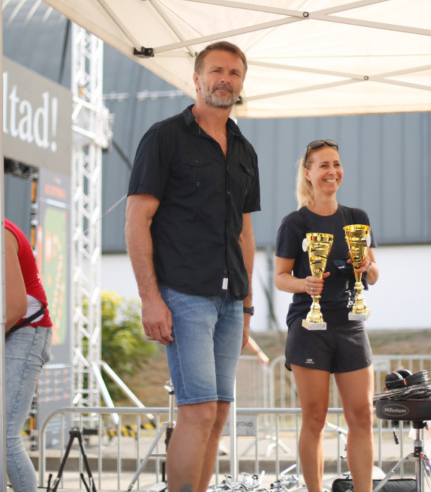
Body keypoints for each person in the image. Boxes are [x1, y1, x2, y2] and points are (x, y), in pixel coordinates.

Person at [125, 41, 260, 492]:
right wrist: (150, 298)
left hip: (230, 301)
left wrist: (246, 305)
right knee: (198, 410)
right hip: (183, 295)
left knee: (218, 412)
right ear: (197, 79)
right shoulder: (164, 137)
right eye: (216, 70)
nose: (225, 79)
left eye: (234, 73)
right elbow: (137, 220)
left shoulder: (244, 150)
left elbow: (244, 233)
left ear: (241, 83)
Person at [274, 139, 379, 492]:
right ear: (308, 173)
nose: (332, 171)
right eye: (323, 165)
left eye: (336, 164)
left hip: (351, 326)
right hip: (310, 326)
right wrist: (304, 284)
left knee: (362, 416)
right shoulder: (295, 222)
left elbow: (374, 275)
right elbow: (280, 278)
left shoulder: (357, 218)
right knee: (315, 418)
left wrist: (367, 267)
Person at [4, 217, 53, 492]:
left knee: (5, 436)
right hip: (12, 330)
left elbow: (15, 307)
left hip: (26, 331)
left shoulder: (3, 234)